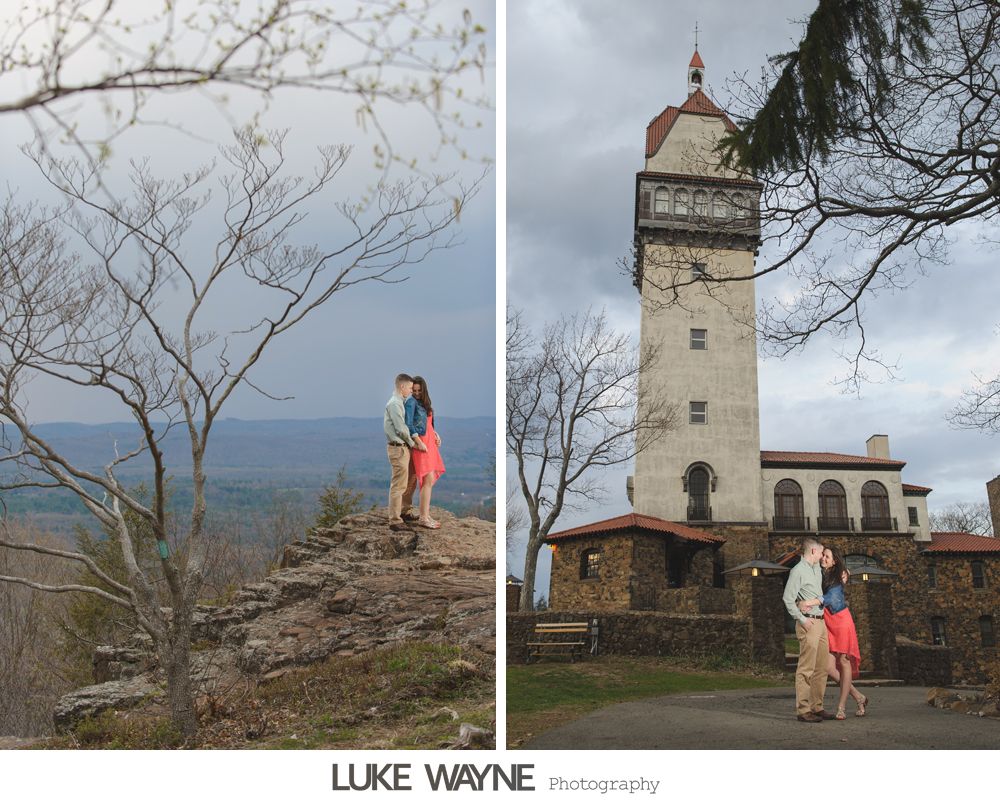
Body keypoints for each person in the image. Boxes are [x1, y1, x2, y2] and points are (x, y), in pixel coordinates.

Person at [798, 546, 868, 719]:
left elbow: (830, 598)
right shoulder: (821, 573)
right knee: (828, 666)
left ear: (834, 560)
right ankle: (859, 697)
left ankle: (842, 706)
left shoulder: (838, 578)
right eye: (823, 556)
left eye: (827, 556)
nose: (824, 559)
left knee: (844, 662)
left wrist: (809, 602)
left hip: (841, 622)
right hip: (827, 622)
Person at [782, 536, 832, 722]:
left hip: (821, 622)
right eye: (820, 552)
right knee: (806, 668)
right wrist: (802, 619)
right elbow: (788, 598)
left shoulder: (817, 569)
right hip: (808, 623)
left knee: (821, 668)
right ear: (813, 551)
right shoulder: (798, 571)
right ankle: (803, 710)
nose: (822, 555)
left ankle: (817, 707)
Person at [384, 373, 426, 531]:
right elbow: (401, 428)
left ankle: (404, 511)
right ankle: (394, 520)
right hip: (398, 447)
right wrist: (413, 443)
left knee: (409, 481)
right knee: (399, 484)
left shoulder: (402, 402)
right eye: (409, 388)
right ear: (402, 387)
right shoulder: (395, 404)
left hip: (404, 447)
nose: (411, 391)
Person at [406, 375, 445, 530]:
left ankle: (425, 514)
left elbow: (429, 424)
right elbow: (409, 424)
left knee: (428, 481)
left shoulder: (425, 404)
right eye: (414, 390)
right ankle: (423, 517)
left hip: (430, 445)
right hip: (421, 445)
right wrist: (419, 442)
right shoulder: (411, 402)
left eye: (419, 390)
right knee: (426, 480)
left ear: (424, 390)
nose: (416, 393)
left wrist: (436, 435)